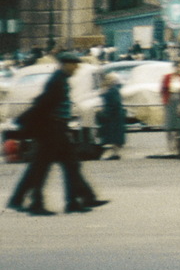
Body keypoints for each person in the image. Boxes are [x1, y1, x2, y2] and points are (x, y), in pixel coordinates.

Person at [7, 53, 107, 215]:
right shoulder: (56, 82)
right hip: (51, 130)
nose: (76, 68)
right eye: (74, 65)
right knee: (42, 167)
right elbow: (43, 105)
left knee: (69, 165)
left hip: (58, 129)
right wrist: (29, 123)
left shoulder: (61, 80)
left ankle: (74, 201)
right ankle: (35, 203)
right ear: (65, 64)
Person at [95, 69, 127, 160]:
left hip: (114, 115)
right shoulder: (112, 89)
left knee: (113, 135)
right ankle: (114, 153)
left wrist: (105, 112)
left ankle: (114, 153)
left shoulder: (112, 90)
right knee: (115, 136)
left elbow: (114, 103)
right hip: (115, 114)